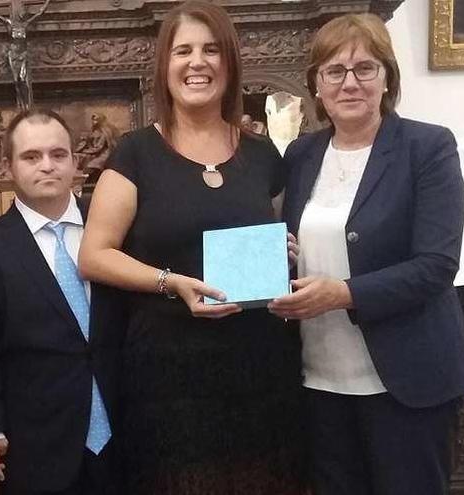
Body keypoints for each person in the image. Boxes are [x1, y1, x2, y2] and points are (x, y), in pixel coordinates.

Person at [78, 2, 306, 493]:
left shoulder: (263, 155)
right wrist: (170, 282)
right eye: (183, 50)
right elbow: (94, 254)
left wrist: (285, 248)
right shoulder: (136, 152)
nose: (196, 62)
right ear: (165, 65)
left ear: (229, 63)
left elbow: (281, 234)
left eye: (211, 49)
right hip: (168, 380)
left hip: (259, 369)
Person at [268, 13, 464, 495]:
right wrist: (283, 251)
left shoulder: (427, 147)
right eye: (334, 71)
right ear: (316, 87)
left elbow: (437, 265)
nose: (350, 83)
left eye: (365, 68)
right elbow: (304, 240)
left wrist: (343, 293)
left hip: (406, 381)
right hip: (320, 381)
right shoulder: (301, 154)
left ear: (387, 78)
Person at [0, 109, 123, 494]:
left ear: (74, 161)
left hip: (126, 429)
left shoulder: (114, 229)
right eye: (31, 157)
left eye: (58, 154)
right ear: (9, 166)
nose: (47, 166)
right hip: (38, 440)